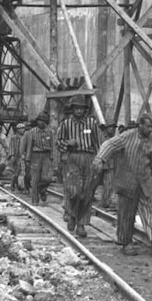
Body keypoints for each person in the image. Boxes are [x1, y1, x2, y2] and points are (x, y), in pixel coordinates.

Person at [93, 113, 152, 259]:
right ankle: (126, 243)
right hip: (127, 182)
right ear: (140, 125)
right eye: (148, 126)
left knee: (151, 212)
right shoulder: (127, 136)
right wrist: (100, 158)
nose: (151, 130)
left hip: (145, 183)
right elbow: (110, 144)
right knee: (126, 214)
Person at [57, 95, 102, 237]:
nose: (78, 111)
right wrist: (66, 144)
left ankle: (81, 224)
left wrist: (100, 159)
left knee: (86, 193)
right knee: (74, 191)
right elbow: (58, 142)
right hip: (73, 158)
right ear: (72, 109)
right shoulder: (66, 124)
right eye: (76, 108)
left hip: (88, 158)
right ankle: (71, 214)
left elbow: (98, 142)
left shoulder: (92, 123)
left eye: (81, 108)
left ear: (85, 110)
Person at [25, 112, 54, 205]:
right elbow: (29, 146)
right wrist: (27, 159)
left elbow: (53, 146)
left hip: (46, 156)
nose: (41, 123)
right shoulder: (32, 132)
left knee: (47, 178)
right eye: (40, 120)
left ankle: (42, 189)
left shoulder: (50, 132)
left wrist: (53, 158)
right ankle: (34, 200)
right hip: (35, 156)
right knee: (35, 179)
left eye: (43, 121)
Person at [97, 123, 118, 209]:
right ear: (107, 128)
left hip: (109, 164)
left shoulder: (114, 138)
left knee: (108, 184)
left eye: (113, 128)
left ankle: (105, 202)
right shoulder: (101, 138)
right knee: (93, 184)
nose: (112, 130)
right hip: (100, 163)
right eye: (111, 128)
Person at [8, 123, 26, 190]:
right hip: (16, 156)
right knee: (16, 172)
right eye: (21, 128)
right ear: (18, 130)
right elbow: (11, 147)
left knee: (23, 171)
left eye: (23, 128)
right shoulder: (14, 138)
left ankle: (20, 185)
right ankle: (13, 183)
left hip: (23, 156)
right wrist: (12, 155)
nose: (23, 130)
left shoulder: (25, 137)